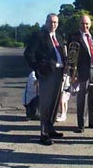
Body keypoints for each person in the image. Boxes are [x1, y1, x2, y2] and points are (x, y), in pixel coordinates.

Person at [24, 13, 66, 145]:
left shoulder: (58, 36)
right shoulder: (39, 36)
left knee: (54, 103)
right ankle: (44, 134)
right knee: (45, 104)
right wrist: (38, 69)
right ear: (46, 22)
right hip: (47, 74)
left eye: (55, 22)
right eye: (51, 22)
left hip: (59, 73)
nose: (53, 24)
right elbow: (28, 53)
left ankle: (51, 127)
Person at [67, 14, 93, 133]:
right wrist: (74, 74)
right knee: (82, 98)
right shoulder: (74, 37)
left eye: (87, 24)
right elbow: (71, 58)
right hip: (83, 71)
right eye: (83, 24)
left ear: (90, 24)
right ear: (79, 24)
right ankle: (81, 124)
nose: (85, 26)